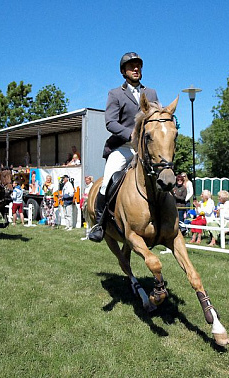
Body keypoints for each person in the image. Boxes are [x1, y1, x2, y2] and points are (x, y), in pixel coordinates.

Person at [89, 52, 158, 242]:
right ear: (123, 71)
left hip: (145, 148)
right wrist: (130, 134)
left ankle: (169, 219)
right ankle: (99, 224)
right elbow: (110, 122)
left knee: (162, 173)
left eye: (138, 66)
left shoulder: (151, 93)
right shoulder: (115, 94)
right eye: (131, 66)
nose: (136, 69)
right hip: (124, 146)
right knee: (107, 181)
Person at [81, 175, 94, 240]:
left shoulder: (92, 186)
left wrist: (86, 197)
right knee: (86, 220)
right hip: (85, 204)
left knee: (90, 220)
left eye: (87, 180)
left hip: (89, 204)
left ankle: (90, 234)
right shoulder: (86, 187)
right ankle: (87, 234)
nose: (86, 181)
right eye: (85, 180)